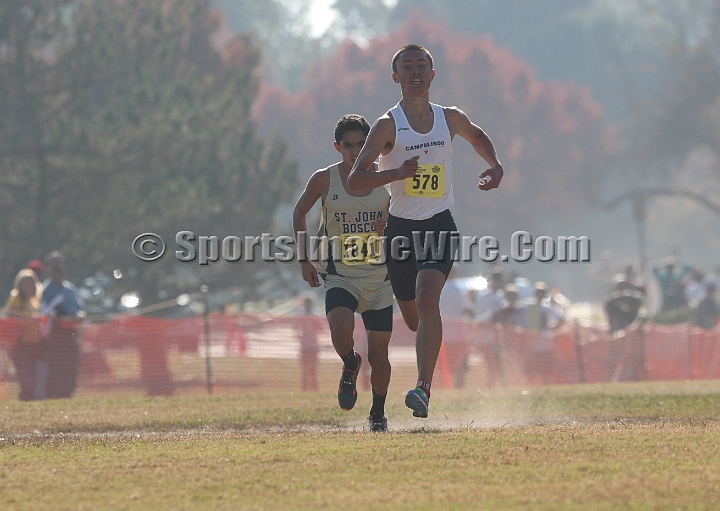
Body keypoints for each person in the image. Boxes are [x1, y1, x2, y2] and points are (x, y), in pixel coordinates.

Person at [347, 44, 503, 418]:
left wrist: (495, 166)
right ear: (395, 76)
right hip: (400, 230)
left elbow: (477, 135)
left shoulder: (449, 118)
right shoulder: (388, 125)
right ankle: (425, 348)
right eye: (407, 66)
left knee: (428, 296)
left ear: (432, 75)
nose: (415, 72)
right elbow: (356, 179)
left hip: (439, 223)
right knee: (413, 314)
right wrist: (396, 174)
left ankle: (423, 389)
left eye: (422, 66)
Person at [292, 114, 393, 432]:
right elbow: (300, 211)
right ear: (338, 147)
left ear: (373, 148)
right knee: (340, 328)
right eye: (348, 145)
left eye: (362, 144)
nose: (355, 151)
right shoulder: (325, 179)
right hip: (341, 274)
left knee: (379, 355)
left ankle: (377, 414)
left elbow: (410, 218)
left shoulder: (389, 180)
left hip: (380, 279)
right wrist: (304, 259)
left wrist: (389, 229)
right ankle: (350, 363)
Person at [40, 251, 85, 399]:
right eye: (54, 264)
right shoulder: (44, 290)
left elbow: (79, 309)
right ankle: (54, 396)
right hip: (54, 336)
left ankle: (68, 395)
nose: (57, 268)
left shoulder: (70, 289)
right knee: (56, 368)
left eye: (59, 264)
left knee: (71, 368)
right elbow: (42, 313)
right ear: (48, 268)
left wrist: (79, 316)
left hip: (71, 335)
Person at [2, 269, 43, 400]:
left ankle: (29, 398)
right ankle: (25, 398)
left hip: (35, 343)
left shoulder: (35, 300)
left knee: (33, 373)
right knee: (25, 374)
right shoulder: (16, 298)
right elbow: (8, 314)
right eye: (25, 284)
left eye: (30, 284)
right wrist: (26, 319)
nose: (28, 287)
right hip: (20, 343)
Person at [524, 282, 564, 385]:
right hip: (533, 343)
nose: (540, 295)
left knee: (546, 368)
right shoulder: (530, 307)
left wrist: (552, 329)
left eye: (542, 293)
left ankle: (545, 386)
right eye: (538, 292)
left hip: (545, 343)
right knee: (532, 368)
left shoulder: (547, 308)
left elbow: (560, 319)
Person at [438, 267, 472, 388]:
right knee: (461, 365)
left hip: (441, 333)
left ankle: (444, 386)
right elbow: (465, 309)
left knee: (444, 365)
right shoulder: (455, 287)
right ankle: (458, 388)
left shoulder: (438, 287)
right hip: (457, 334)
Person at [297, 297, 322, 392]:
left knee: (312, 370)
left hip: (312, 346)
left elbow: (320, 328)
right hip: (306, 346)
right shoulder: (302, 315)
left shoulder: (314, 315)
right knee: (305, 370)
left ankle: (313, 389)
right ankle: (305, 389)